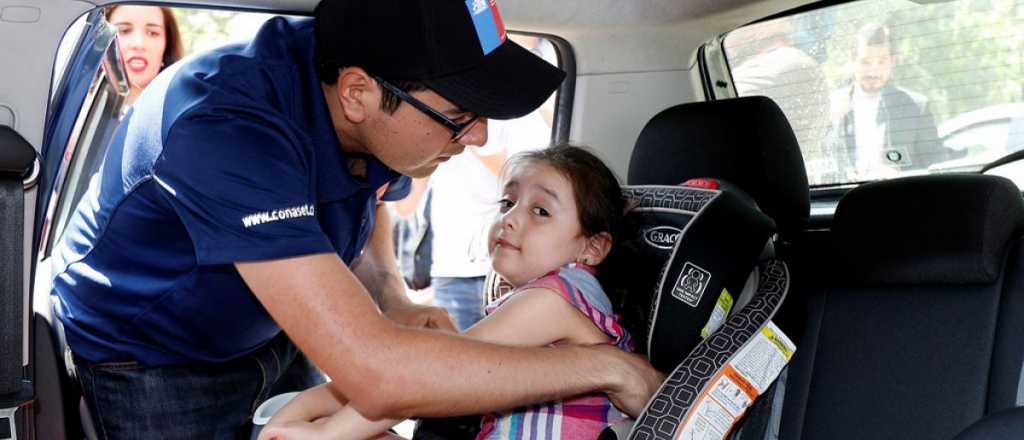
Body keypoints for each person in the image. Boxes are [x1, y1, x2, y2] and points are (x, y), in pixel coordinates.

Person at [50, 0, 663, 437]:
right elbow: (376, 375)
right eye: (460, 114)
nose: (478, 137)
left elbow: (365, 202)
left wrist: (390, 296)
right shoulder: (228, 129)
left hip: (275, 332)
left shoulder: (373, 116)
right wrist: (611, 367)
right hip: (157, 360)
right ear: (358, 94)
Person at [259, 145, 633, 440]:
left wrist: (327, 432)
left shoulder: (552, 301)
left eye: (540, 211)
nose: (511, 218)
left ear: (593, 247)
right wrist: (310, 408)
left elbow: (427, 380)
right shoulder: (561, 298)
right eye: (508, 202)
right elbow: (419, 375)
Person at [427, 113, 552, 330]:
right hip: (451, 268)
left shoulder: (520, 118)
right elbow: (403, 206)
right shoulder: (439, 119)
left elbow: (525, 184)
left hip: (505, 270)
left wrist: (472, 140)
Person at [830, 22, 953, 179]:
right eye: (866, 62)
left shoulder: (916, 108)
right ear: (852, 59)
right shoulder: (831, 107)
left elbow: (936, 166)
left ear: (892, 61)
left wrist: (901, 176)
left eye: (882, 61)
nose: (874, 71)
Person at [105, 5, 183, 106]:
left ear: (167, 46)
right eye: (124, 30)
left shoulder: (184, 116)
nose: (139, 44)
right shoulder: (80, 109)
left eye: (152, 33)